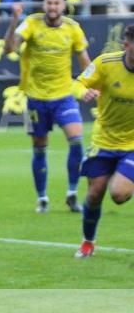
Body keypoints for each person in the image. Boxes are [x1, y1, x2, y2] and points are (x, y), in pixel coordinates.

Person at [4, 0, 92, 214]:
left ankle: (72, 193)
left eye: (56, 3)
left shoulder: (73, 29)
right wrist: (14, 20)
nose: (53, 7)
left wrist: (94, 86)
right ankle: (42, 198)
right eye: (49, 3)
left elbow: (85, 62)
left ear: (63, 5)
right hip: (36, 98)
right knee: (40, 148)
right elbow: (9, 48)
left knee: (76, 140)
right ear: (44, 5)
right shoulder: (31, 23)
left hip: (64, 96)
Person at [72, 25, 134, 258]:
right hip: (104, 139)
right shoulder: (106, 64)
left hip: (132, 143)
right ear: (127, 46)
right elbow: (78, 82)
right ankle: (88, 242)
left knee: (118, 194)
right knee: (95, 193)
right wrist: (82, 93)